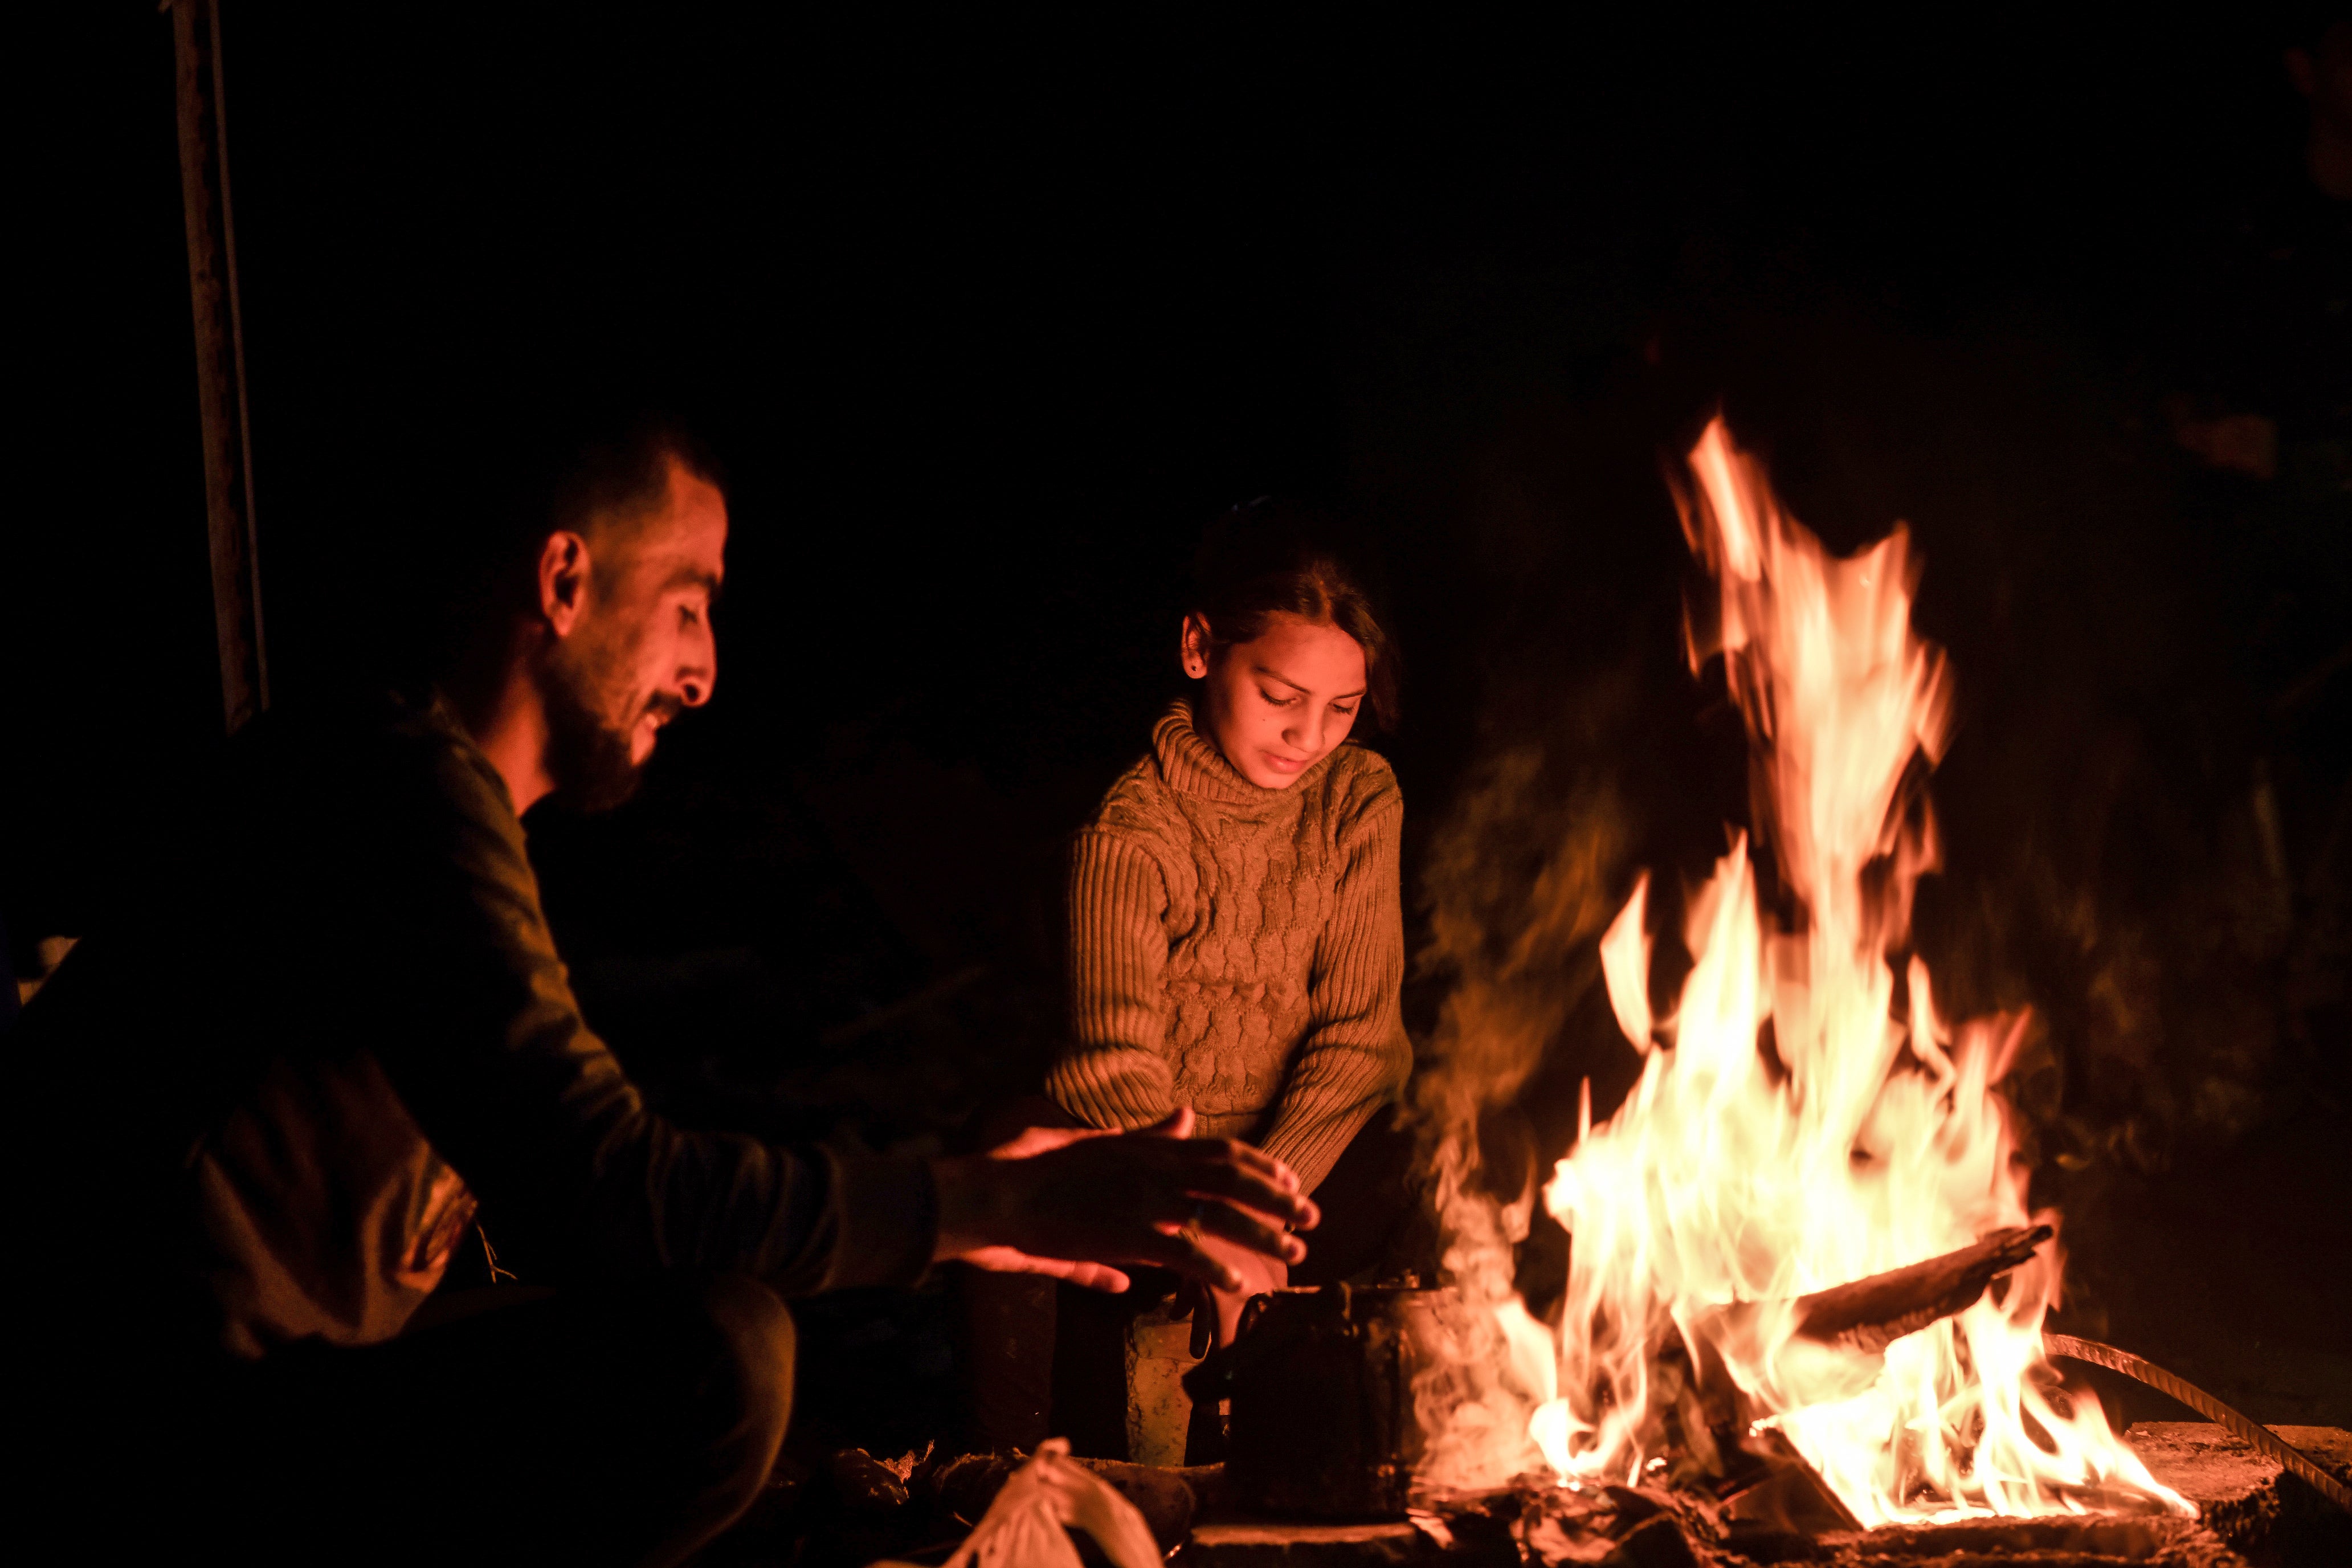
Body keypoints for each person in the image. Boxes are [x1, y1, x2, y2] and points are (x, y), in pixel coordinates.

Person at [13, 416, 1317, 1567]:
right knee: (719, 1356)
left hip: (253, 1407)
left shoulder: (427, 797)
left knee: (739, 1367)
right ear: (567, 578)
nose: (703, 671)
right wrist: (993, 1200)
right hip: (160, 1444)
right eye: (689, 603)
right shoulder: (396, 788)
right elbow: (609, 1185)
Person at [961, 500, 1418, 1457]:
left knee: (1440, 1143)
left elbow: (1361, 1036)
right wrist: (1207, 1219)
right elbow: (1114, 1067)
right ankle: (1005, 1474)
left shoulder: (1359, 798)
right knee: (1014, 1156)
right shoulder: (1129, 836)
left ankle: (1411, 1444)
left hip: (1297, 1166)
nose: (1309, 737)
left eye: (1341, 708)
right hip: (1154, 1169)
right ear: (1201, 649)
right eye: (1280, 695)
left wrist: (1259, 1208)